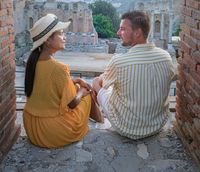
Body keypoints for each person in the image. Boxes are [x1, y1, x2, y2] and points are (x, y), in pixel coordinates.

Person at [23, 13, 103, 149]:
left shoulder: (33, 62)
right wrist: (82, 92)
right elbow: (72, 104)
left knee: (79, 88)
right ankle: (101, 121)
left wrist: (76, 80)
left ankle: (99, 118)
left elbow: (47, 85)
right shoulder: (59, 68)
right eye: (60, 34)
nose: (64, 37)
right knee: (87, 93)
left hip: (32, 127)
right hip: (53, 132)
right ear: (48, 40)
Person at [93, 10, 175, 139]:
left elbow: (102, 84)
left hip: (127, 127)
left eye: (123, 29)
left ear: (137, 33)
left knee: (97, 82)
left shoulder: (119, 61)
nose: (118, 33)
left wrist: (101, 79)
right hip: (157, 124)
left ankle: (99, 118)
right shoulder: (166, 57)